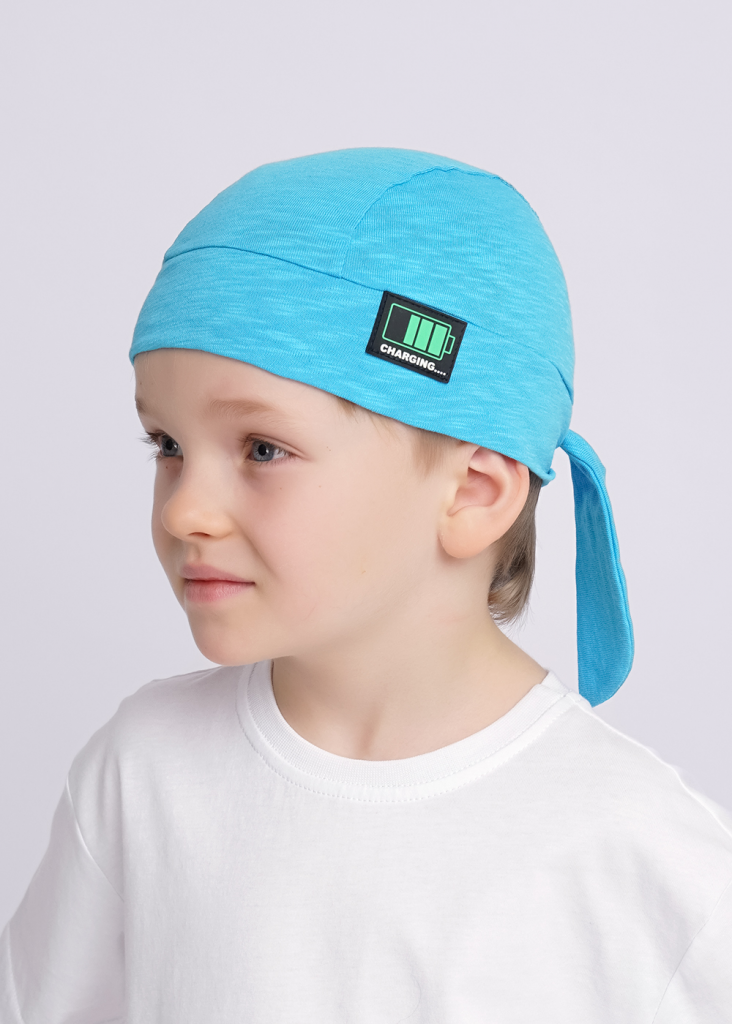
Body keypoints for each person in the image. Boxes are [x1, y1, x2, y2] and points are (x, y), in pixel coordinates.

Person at [1, 148, 730, 1023]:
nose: (185, 508)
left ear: (472, 492)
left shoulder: (651, 867)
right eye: (168, 446)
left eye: (262, 449)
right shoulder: (143, 773)